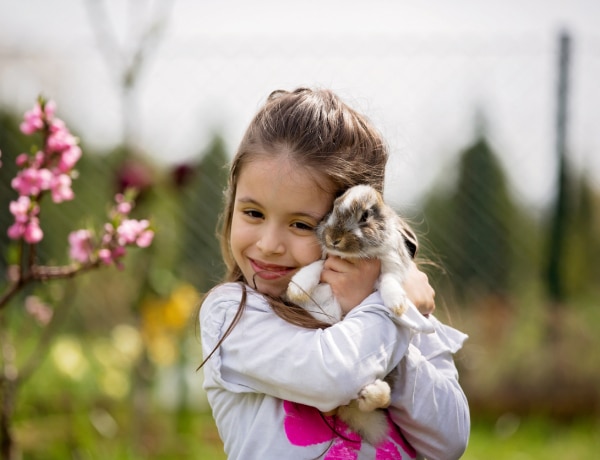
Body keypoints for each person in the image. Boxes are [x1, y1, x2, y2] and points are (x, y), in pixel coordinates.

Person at [199, 87, 470, 459]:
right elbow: (332, 376)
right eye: (253, 214)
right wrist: (391, 310)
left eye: (300, 224)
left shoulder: (401, 314)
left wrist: (376, 303)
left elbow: (449, 441)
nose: (269, 244)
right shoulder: (232, 313)